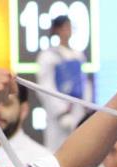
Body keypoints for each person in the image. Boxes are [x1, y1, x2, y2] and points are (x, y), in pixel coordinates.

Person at [36, 15, 92, 152]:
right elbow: (45, 87)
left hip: (78, 110)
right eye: (64, 27)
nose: (67, 31)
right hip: (60, 114)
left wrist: (87, 106)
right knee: (58, 151)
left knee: (80, 150)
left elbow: (84, 83)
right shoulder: (48, 56)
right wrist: (61, 112)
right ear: (56, 30)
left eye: (69, 27)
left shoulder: (78, 55)